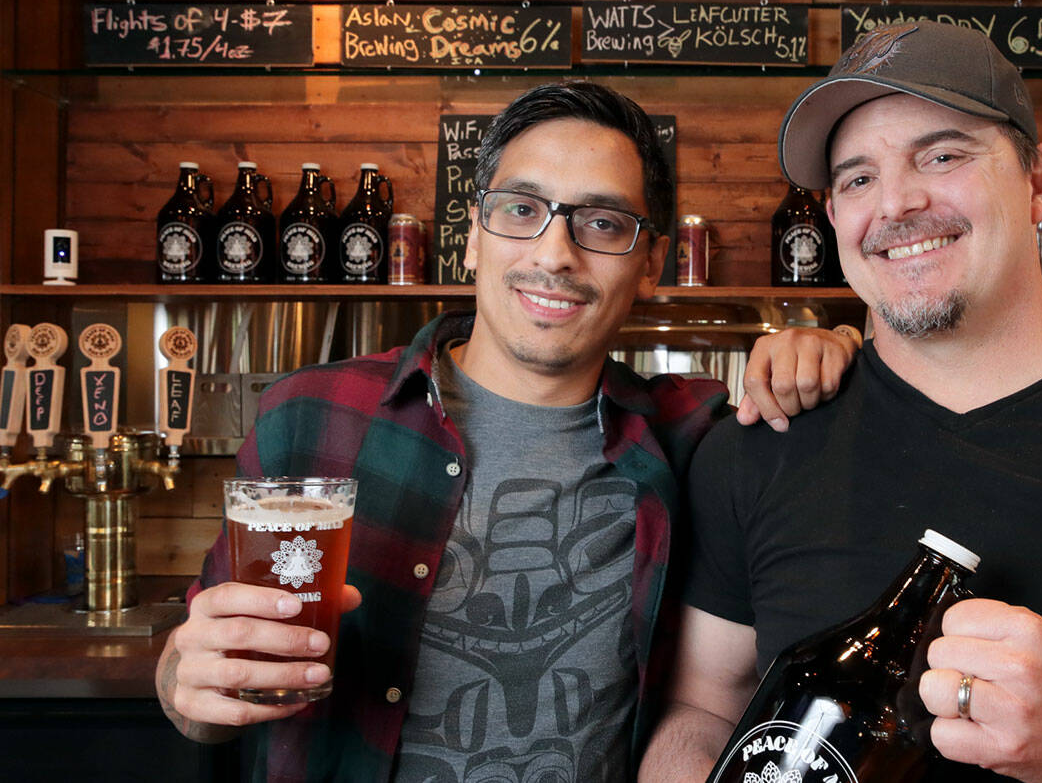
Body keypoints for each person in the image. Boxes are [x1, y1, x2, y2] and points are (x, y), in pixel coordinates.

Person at [642, 21, 1042, 783]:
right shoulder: (757, 443)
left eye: (943, 154)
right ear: (834, 222)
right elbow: (703, 712)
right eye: (856, 178)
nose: (896, 202)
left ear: (1039, 181)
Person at [154, 81, 860, 783]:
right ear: (472, 237)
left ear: (652, 264)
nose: (554, 254)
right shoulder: (311, 414)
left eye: (604, 223)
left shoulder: (695, 438)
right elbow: (204, 665)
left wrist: (831, 350)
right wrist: (192, 679)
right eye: (521, 210)